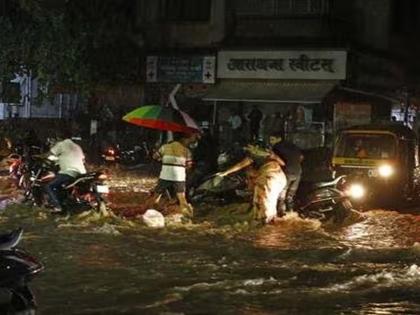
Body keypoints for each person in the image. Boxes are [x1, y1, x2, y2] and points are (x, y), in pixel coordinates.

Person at [217, 142, 286, 224]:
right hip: (281, 178)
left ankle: (264, 227)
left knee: (263, 204)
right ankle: (272, 222)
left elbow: (240, 165)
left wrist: (225, 173)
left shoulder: (253, 155)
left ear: (255, 147)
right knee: (270, 203)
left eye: (249, 147)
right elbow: (283, 163)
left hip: (270, 179)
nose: (247, 148)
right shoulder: (269, 154)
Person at [152, 132, 200, 218]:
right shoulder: (186, 150)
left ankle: (152, 214)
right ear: (184, 138)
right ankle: (188, 217)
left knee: (156, 195)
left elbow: (155, 157)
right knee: (182, 198)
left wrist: (159, 154)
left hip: (165, 175)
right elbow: (189, 166)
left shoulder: (164, 147)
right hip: (179, 176)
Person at [45, 130, 87, 213]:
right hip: (81, 173)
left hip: (68, 172)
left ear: (59, 137)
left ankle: (58, 207)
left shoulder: (61, 144)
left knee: (49, 186)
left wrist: (38, 156)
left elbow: (48, 154)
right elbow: (83, 159)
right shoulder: (77, 146)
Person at [269, 132, 303, 214]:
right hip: (298, 171)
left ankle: (281, 214)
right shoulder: (292, 146)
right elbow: (301, 157)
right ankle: (291, 212)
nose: (270, 141)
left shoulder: (276, 147)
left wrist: (274, 157)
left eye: (272, 139)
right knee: (290, 195)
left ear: (279, 139)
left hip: (287, 172)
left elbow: (282, 162)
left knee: (282, 195)